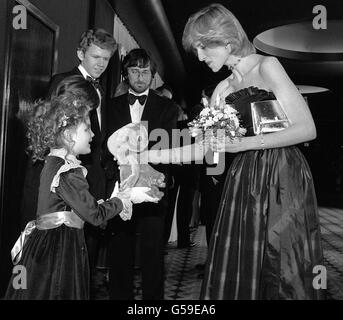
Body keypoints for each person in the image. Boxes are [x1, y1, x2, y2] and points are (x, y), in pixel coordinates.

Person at [146, 3, 324, 300]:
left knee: (282, 260)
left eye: (204, 48)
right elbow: (203, 148)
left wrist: (244, 144)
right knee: (246, 259)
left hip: (283, 174)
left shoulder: (267, 67)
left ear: (226, 40)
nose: (200, 57)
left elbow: (307, 128)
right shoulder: (221, 90)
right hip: (244, 181)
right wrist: (150, 155)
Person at [4, 85, 158, 300]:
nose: (93, 134)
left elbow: (78, 207)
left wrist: (116, 197)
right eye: (87, 129)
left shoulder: (54, 161)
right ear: (68, 135)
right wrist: (126, 199)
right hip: (59, 247)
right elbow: (94, 215)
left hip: (45, 242)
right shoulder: (68, 171)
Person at [106, 48, 178, 300]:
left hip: (153, 186)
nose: (139, 76)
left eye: (145, 71)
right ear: (126, 74)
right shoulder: (110, 106)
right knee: (119, 251)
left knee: (152, 253)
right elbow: (104, 149)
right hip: (121, 188)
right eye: (134, 71)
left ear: (153, 75)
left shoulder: (168, 108)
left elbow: (167, 147)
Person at [48, 28, 117, 270]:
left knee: (89, 248)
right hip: (69, 176)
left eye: (106, 59)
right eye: (95, 57)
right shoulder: (63, 82)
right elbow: (53, 134)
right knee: (66, 256)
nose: (101, 64)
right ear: (80, 53)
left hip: (95, 173)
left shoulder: (102, 88)